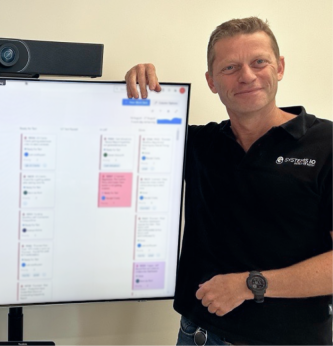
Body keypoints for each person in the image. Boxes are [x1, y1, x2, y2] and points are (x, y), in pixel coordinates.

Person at [126, 17, 333, 346]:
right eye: (230, 67)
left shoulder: (326, 144)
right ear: (211, 81)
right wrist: (138, 91)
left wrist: (250, 285)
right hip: (199, 336)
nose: (247, 76)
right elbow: (122, 145)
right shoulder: (199, 145)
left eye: (259, 62)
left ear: (279, 67)